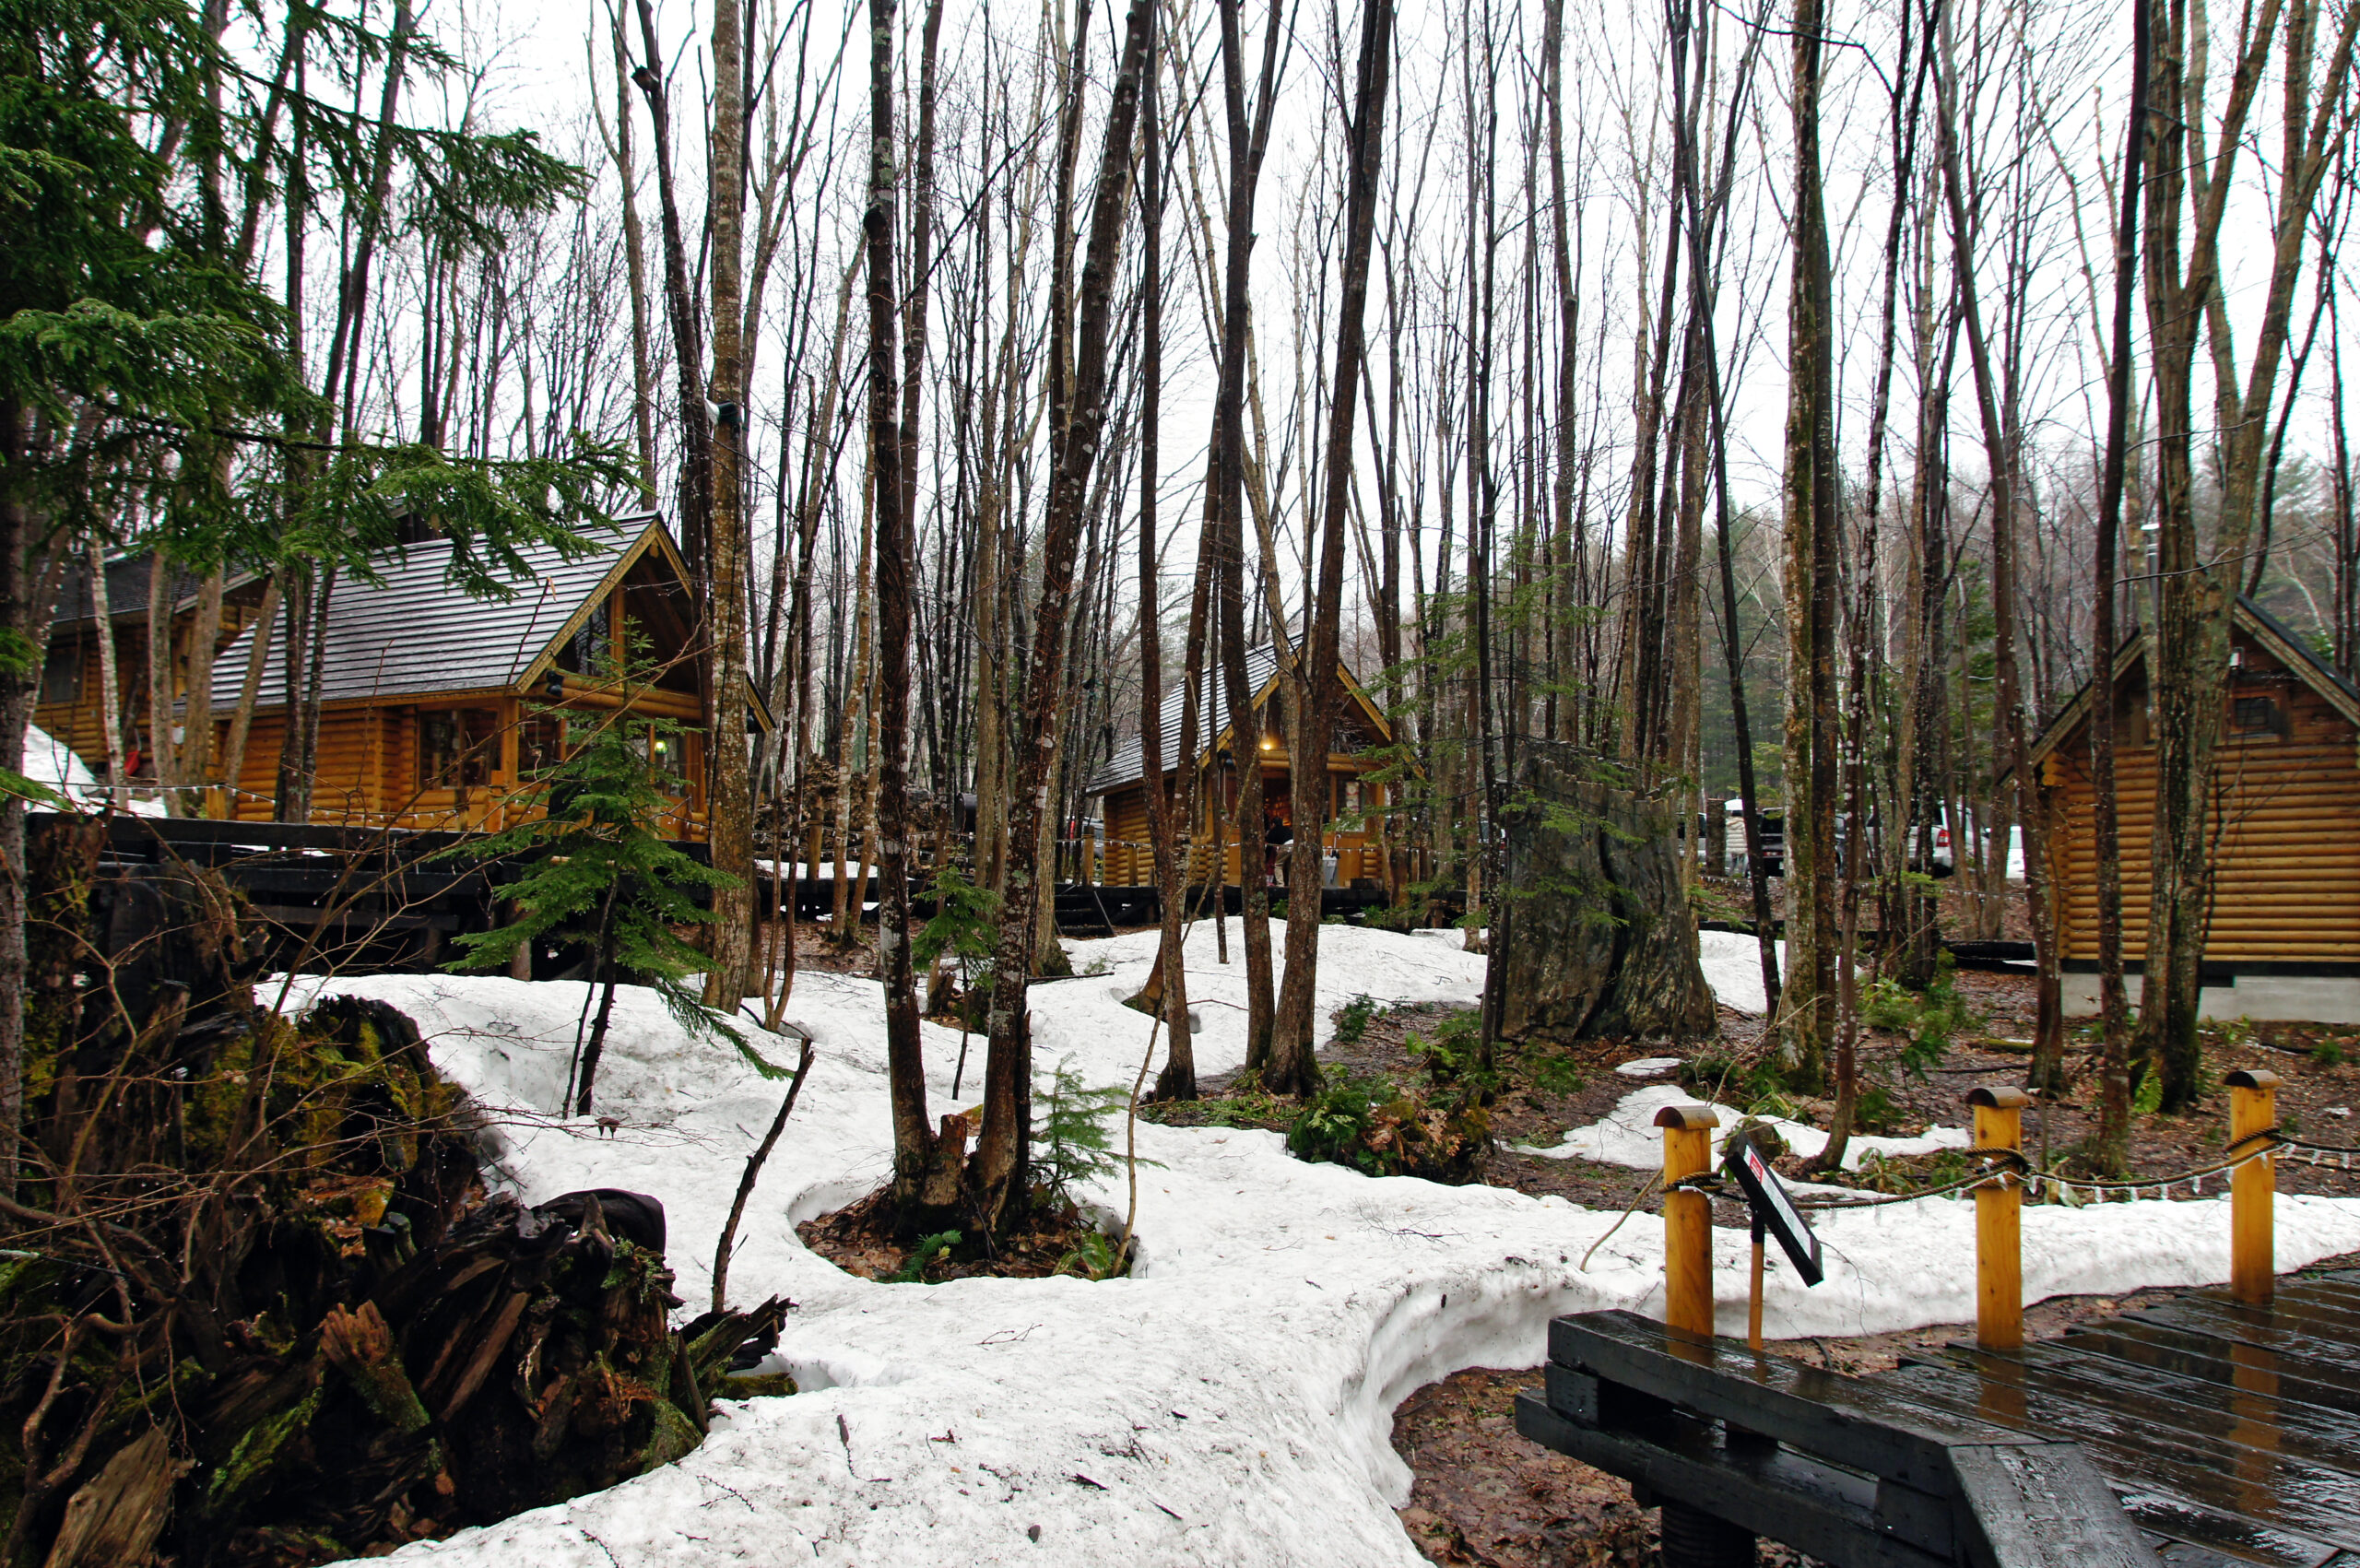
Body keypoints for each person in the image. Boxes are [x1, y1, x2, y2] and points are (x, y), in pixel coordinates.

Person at [1263, 800, 1293, 888]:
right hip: (1294, 844)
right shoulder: (1287, 829)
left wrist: (1266, 858)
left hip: (1286, 845)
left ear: (1273, 824)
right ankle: (1291, 884)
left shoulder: (1273, 831)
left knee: (1278, 864)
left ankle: (1280, 884)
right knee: (1289, 864)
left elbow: (1269, 846)